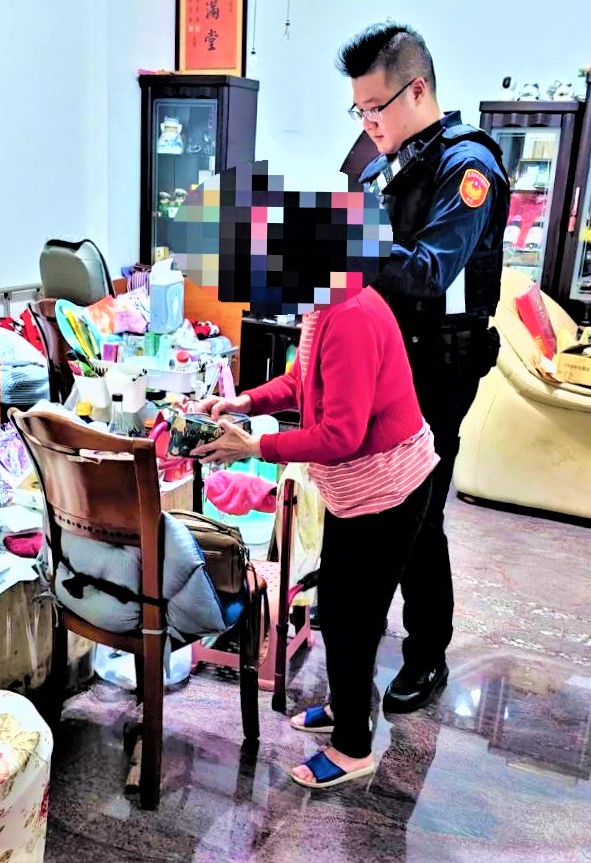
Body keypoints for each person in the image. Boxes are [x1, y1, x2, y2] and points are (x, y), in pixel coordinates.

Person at [191, 281, 438, 790]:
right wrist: (244, 401)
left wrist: (255, 446)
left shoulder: (349, 315)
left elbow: (342, 434)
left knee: (354, 619)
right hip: (356, 490)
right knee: (341, 606)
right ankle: (346, 706)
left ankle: (353, 748)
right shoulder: (323, 306)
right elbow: (302, 379)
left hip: (387, 490)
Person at [337, 22, 511, 713]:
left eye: (375, 108)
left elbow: (433, 270)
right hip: (384, 355)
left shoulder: (468, 167)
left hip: (437, 366)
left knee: (418, 513)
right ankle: (359, 619)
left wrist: (343, 241)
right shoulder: (389, 158)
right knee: (367, 495)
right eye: (358, 110)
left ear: (416, 90)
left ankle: (426, 653)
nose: (368, 123)